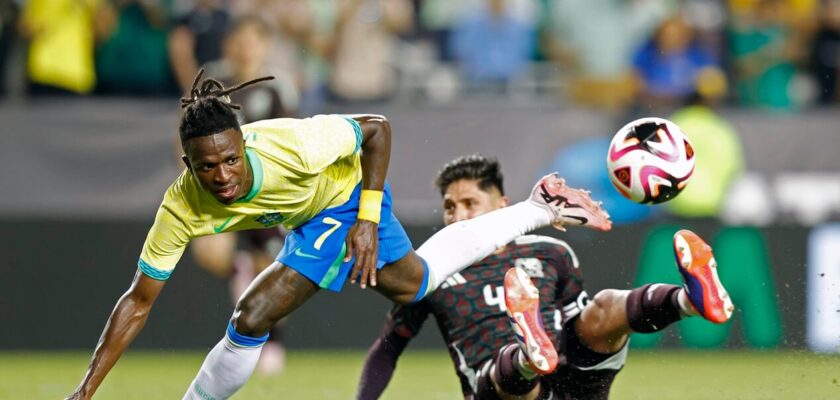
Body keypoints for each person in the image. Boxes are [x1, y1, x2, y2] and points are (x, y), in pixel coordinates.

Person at [64, 70, 612, 400]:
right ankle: (538, 207)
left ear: (244, 145)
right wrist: (86, 389)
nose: (224, 175)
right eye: (208, 168)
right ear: (187, 164)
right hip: (306, 218)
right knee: (415, 284)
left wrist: (368, 220)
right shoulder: (180, 207)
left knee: (251, 316)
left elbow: (376, 129)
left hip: (345, 197)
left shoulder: (292, 146)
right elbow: (138, 302)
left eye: (232, 159)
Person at [356, 155, 734, 399]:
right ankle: (529, 355)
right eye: (450, 207)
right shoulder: (431, 270)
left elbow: (582, 329)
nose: (458, 216)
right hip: (502, 390)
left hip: (574, 381)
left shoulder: (551, 252)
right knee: (510, 372)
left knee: (601, 309)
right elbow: (388, 348)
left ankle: (691, 299)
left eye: (470, 203)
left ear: (503, 206)